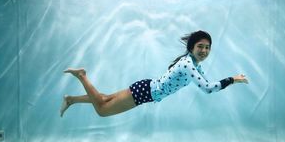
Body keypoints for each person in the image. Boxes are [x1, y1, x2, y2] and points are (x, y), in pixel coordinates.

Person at [60, 30, 248, 117]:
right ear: (191, 48)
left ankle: (71, 100)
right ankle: (82, 76)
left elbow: (206, 82)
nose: (204, 51)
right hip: (146, 92)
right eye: (200, 46)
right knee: (102, 109)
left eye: (208, 47)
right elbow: (208, 88)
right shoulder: (188, 64)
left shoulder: (194, 65)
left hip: (146, 88)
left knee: (105, 99)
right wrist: (233, 79)